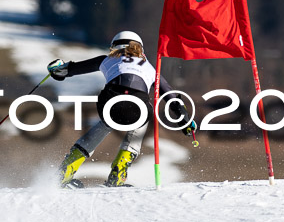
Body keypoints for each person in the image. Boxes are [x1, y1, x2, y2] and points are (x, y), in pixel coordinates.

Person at [47, 30, 196, 188]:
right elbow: (172, 96)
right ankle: (117, 176)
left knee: (106, 123)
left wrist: (57, 69)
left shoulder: (106, 59)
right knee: (142, 117)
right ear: (140, 49)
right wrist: (185, 120)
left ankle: (65, 172)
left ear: (114, 47)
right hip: (137, 106)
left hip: (110, 100)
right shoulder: (150, 68)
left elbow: (69, 69)